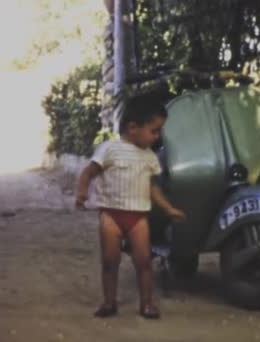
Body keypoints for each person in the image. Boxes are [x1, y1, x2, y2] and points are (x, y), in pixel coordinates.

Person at [76, 94, 186, 319]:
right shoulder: (109, 149)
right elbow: (89, 172)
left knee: (144, 262)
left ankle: (146, 304)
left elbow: (153, 189)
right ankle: (109, 302)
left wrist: (168, 208)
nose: (157, 137)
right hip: (111, 216)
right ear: (133, 127)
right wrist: (82, 192)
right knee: (109, 261)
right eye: (154, 131)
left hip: (138, 218)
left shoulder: (150, 157)